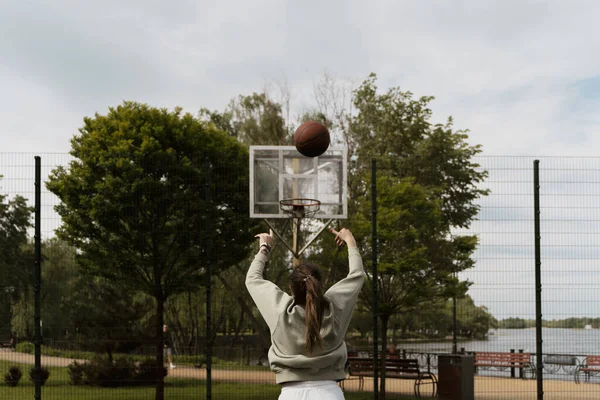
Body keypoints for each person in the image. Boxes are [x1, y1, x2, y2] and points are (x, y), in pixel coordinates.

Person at [246, 227, 365, 400]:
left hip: (291, 394)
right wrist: (350, 242)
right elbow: (357, 274)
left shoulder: (281, 311)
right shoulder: (334, 307)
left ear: (291, 288)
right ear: (319, 286)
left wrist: (265, 247)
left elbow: (253, 279)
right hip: (330, 393)